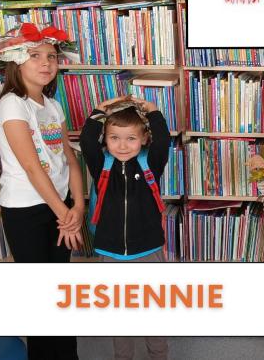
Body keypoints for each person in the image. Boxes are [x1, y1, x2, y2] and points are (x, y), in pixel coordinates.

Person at [0, 23, 84, 360]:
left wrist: (78, 207)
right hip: (27, 211)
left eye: (52, 56)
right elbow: (32, 167)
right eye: (35, 56)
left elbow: (70, 160)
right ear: (16, 62)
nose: (46, 63)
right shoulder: (12, 105)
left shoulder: (52, 105)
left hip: (60, 207)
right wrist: (66, 215)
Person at [79, 95, 171, 360]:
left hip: (148, 249)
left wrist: (153, 111)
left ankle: (158, 355)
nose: (122, 145)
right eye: (114, 138)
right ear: (105, 140)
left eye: (131, 138)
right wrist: (100, 110)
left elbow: (163, 140)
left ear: (143, 139)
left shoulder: (150, 162)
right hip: (111, 251)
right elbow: (87, 141)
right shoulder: (102, 165)